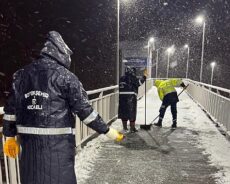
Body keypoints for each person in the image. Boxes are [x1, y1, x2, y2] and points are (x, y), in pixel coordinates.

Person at [2, 31, 124, 184]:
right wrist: (107, 130)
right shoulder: (66, 77)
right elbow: (85, 112)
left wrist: (9, 137)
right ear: (61, 53)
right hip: (57, 151)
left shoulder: (21, 75)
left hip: (29, 151)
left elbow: (10, 111)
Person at [118, 66, 147, 133]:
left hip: (122, 98)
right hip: (131, 98)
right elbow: (139, 83)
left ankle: (125, 128)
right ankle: (132, 128)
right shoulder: (133, 78)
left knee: (123, 113)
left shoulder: (122, 78)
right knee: (132, 113)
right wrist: (144, 76)